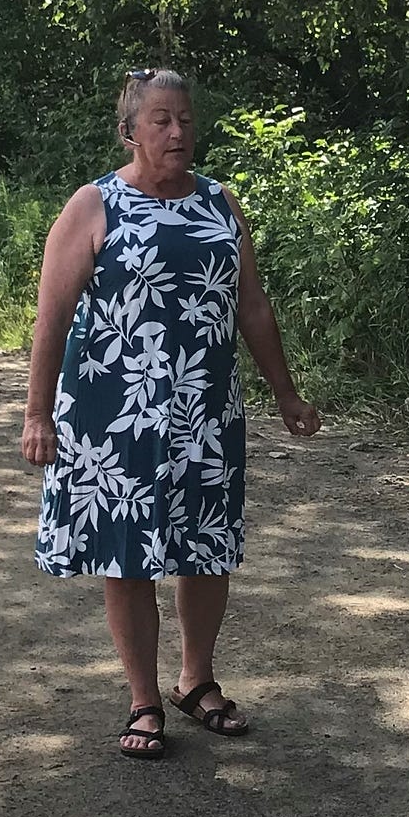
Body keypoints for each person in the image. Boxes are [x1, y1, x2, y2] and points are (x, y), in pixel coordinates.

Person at [22, 68, 320, 760]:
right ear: (130, 131)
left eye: (185, 118)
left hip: (204, 409)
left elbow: (251, 305)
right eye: (160, 120)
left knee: (205, 546)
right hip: (113, 413)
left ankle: (196, 679)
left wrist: (286, 391)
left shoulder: (220, 203)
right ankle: (143, 698)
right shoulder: (94, 206)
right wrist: (38, 412)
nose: (178, 132)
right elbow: (53, 317)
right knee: (128, 555)